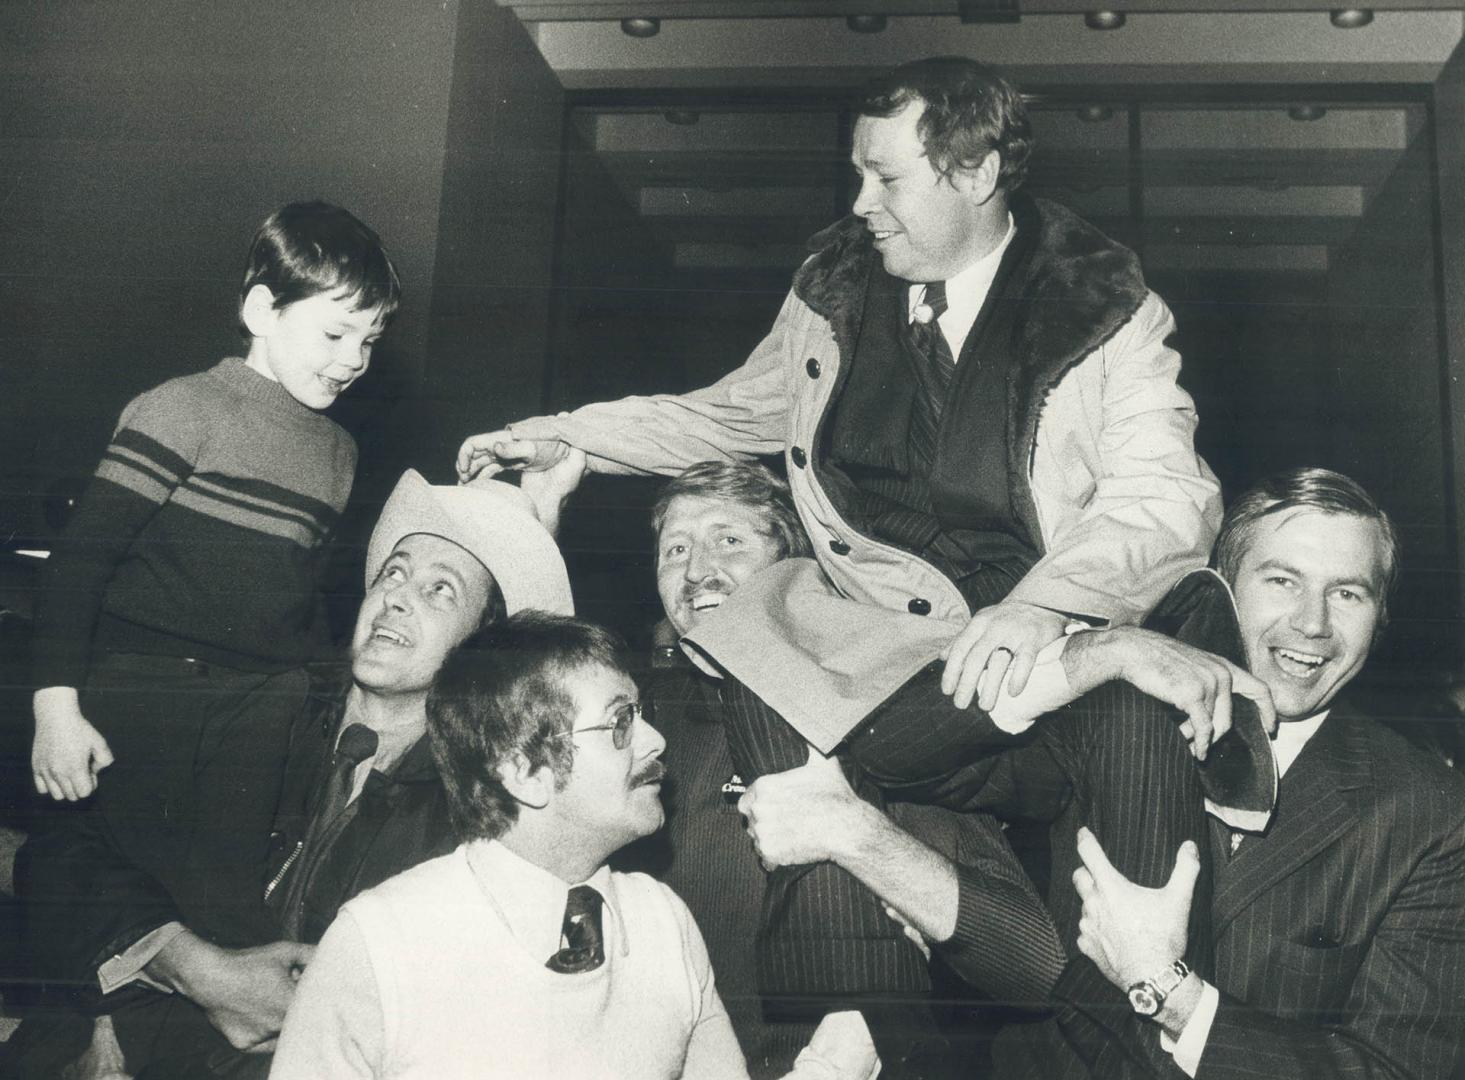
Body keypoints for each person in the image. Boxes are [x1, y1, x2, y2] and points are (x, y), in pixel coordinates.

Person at [7, 469, 573, 1079]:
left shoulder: (479, 811)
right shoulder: (248, 704)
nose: (399, 596)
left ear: (480, 646)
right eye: (395, 571)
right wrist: (180, 966)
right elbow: (68, 854)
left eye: (442, 590)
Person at [27, 201, 400, 965]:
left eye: (368, 340)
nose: (352, 359)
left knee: (233, 909)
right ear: (263, 308)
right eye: (335, 333)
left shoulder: (339, 452)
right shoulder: (183, 408)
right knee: (132, 896)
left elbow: (295, 599)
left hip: (262, 703)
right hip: (147, 690)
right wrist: (56, 708)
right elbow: (80, 564)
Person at [271, 613, 878, 1080]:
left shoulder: (661, 920)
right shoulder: (380, 942)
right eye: (620, 722)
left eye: (641, 713)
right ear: (522, 771)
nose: (655, 739)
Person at [623, 460, 1064, 1078]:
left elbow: (1034, 963)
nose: (697, 571)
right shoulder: (644, 725)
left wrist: (857, 834)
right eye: (675, 549)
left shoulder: (888, 718)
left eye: (729, 540)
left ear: (796, 569)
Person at [1063, 468, 1465, 1080]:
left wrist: (1175, 995)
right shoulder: (1112, 716)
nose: (1313, 623)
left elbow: (1400, 1070)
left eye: (1348, 594)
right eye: (1282, 581)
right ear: (1222, 590)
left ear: (1380, 618)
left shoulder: (1430, 814)